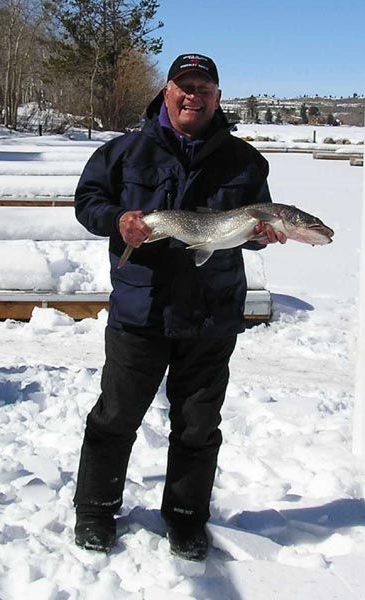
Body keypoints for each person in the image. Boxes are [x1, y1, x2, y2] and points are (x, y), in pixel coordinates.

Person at [73, 53, 286, 561]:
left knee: (197, 424)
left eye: (204, 88)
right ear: (167, 92)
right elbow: (88, 201)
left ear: (217, 96)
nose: (194, 95)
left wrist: (260, 236)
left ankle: (187, 518)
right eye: (184, 85)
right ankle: (96, 509)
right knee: (116, 415)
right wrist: (116, 221)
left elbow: (250, 231)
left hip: (211, 314)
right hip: (141, 309)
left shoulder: (246, 162)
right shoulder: (123, 152)